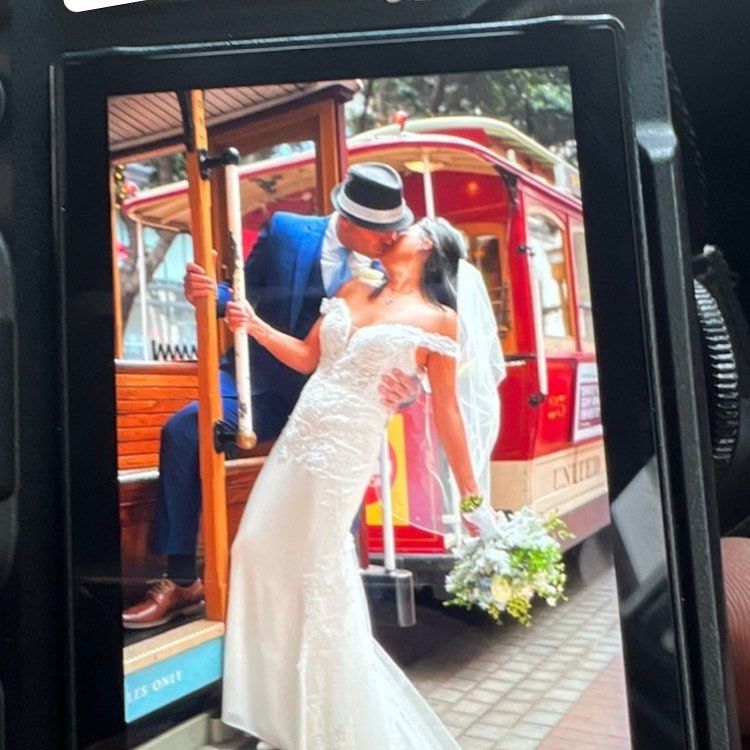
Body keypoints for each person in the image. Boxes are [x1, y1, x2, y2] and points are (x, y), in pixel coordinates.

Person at [220, 216, 497, 750]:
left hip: (345, 453)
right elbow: (306, 357)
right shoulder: (350, 287)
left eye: (411, 230)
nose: (396, 234)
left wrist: (472, 498)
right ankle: (283, 704)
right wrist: (252, 323)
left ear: (430, 250)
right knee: (253, 548)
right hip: (299, 440)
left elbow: (448, 413)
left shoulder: (440, 322)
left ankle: (324, 722)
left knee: (319, 570)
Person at [122, 163, 421, 629]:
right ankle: (182, 580)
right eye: (381, 232)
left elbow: (409, 349)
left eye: (393, 232)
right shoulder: (286, 232)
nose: (389, 241)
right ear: (349, 221)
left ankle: (327, 602)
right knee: (183, 431)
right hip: (257, 383)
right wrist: (206, 293)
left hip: (327, 405)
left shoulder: (393, 271)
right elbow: (242, 293)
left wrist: (408, 391)